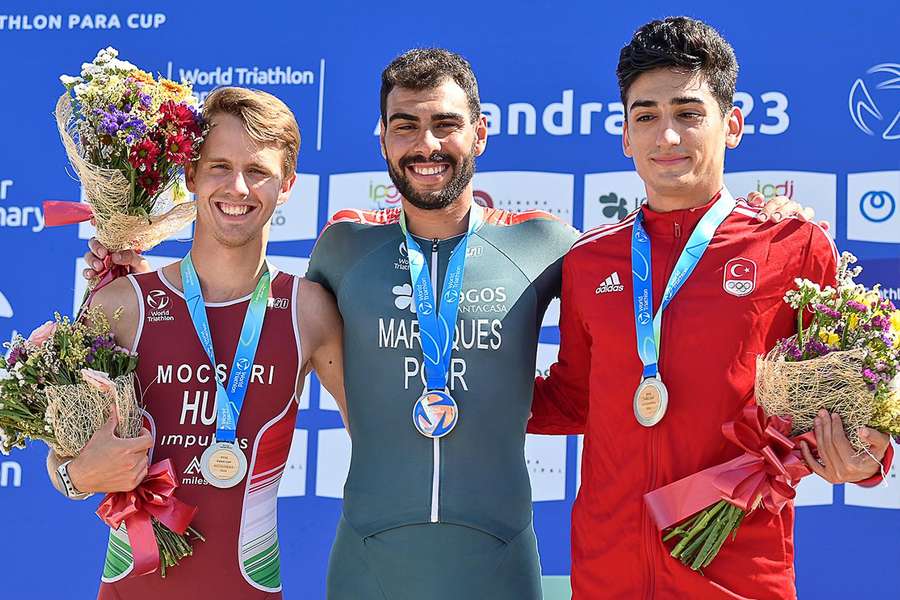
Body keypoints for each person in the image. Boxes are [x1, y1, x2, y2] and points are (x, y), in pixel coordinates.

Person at [82, 52, 810, 599]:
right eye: (407, 126)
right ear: (382, 140)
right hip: (369, 560)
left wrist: (772, 221)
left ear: (481, 135)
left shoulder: (550, 245)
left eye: (445, 124)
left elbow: (653, 296)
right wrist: (122, 263)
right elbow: (235, 300)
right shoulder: (344, 247)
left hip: (500, 561)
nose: (426, 144)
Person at [527, 17, 894, 599]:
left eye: (688, 114)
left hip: (737, 570)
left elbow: (857, 403)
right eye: (645, 116)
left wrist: (868, 455)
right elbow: (576, 396)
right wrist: (458, 392)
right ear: (625, 136)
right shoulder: (589, 260)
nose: (666, 136)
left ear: (733, 125)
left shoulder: (793, 246)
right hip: (607, 572)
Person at [48, 86, 345, 600]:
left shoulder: (310, 310)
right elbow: (59, 456)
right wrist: (77, 476)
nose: (237, 187)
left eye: (258, 171)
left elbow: (380, 441)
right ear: (189, 176)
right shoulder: (123, 303)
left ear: (289, 185)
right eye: (218, 166)